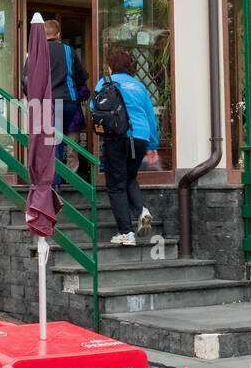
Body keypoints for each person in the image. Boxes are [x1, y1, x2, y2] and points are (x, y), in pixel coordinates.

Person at [91, 47, 158, 245]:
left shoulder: (105, 82)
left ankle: (126, 233)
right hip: (140, 137)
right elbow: (151, 117)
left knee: (115, 185)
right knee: (129, 178)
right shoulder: (139, 86)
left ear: (111, 68)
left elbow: (94, 108)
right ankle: (141, 211)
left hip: (117, 137)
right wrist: (152, 144)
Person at [20, 18, 89, 187]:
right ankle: (73, 181)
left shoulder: (36, 52)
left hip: (50, 103)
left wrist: (32, 97)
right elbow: (83, 75)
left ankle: (55, 184)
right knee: (71, 141)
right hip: (70, 102)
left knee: (54, 143)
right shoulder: (69, 50)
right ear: (58, 35)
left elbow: (26, 80)